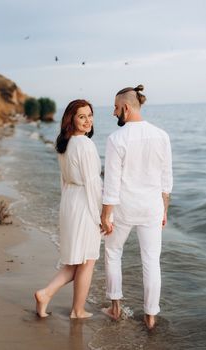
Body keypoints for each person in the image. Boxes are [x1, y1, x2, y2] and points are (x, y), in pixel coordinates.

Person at [101, 85, 173, 329]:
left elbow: (111, 183)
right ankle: (150, 316)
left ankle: (115, 308)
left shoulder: (116, 139)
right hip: (152, 207)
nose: (113, 112)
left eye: (115, 107)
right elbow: (166, 180)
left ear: (126, 108)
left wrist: (105, 216)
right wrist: (164, 210)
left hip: (124, 207)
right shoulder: (162, 136)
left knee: (112, 253)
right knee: (152, 261)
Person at [35, 99, 102, 318]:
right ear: (70, 120)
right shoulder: (85, 144)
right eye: (82, 116)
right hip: (84, 203)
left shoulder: (65, 144)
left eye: (90, 115)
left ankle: (46, 294)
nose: (88, 120)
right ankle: (78, 310)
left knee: (76, 261)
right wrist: (101, 215)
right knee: (86, 261)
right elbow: (93, 184)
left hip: (70, 202)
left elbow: (64, 181)